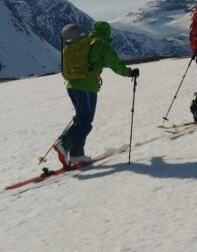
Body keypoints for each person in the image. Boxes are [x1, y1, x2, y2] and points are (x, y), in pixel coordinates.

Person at [56, 21, 138, 166]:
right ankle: (64, 143)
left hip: (72, 84)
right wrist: (129, 72)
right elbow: (114, 63)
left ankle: (77, 154)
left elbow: (99, 62)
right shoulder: (102, 45)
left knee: (81, 119)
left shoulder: (86, 43)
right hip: (86, 86)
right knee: (86, 121)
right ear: (108, 33)